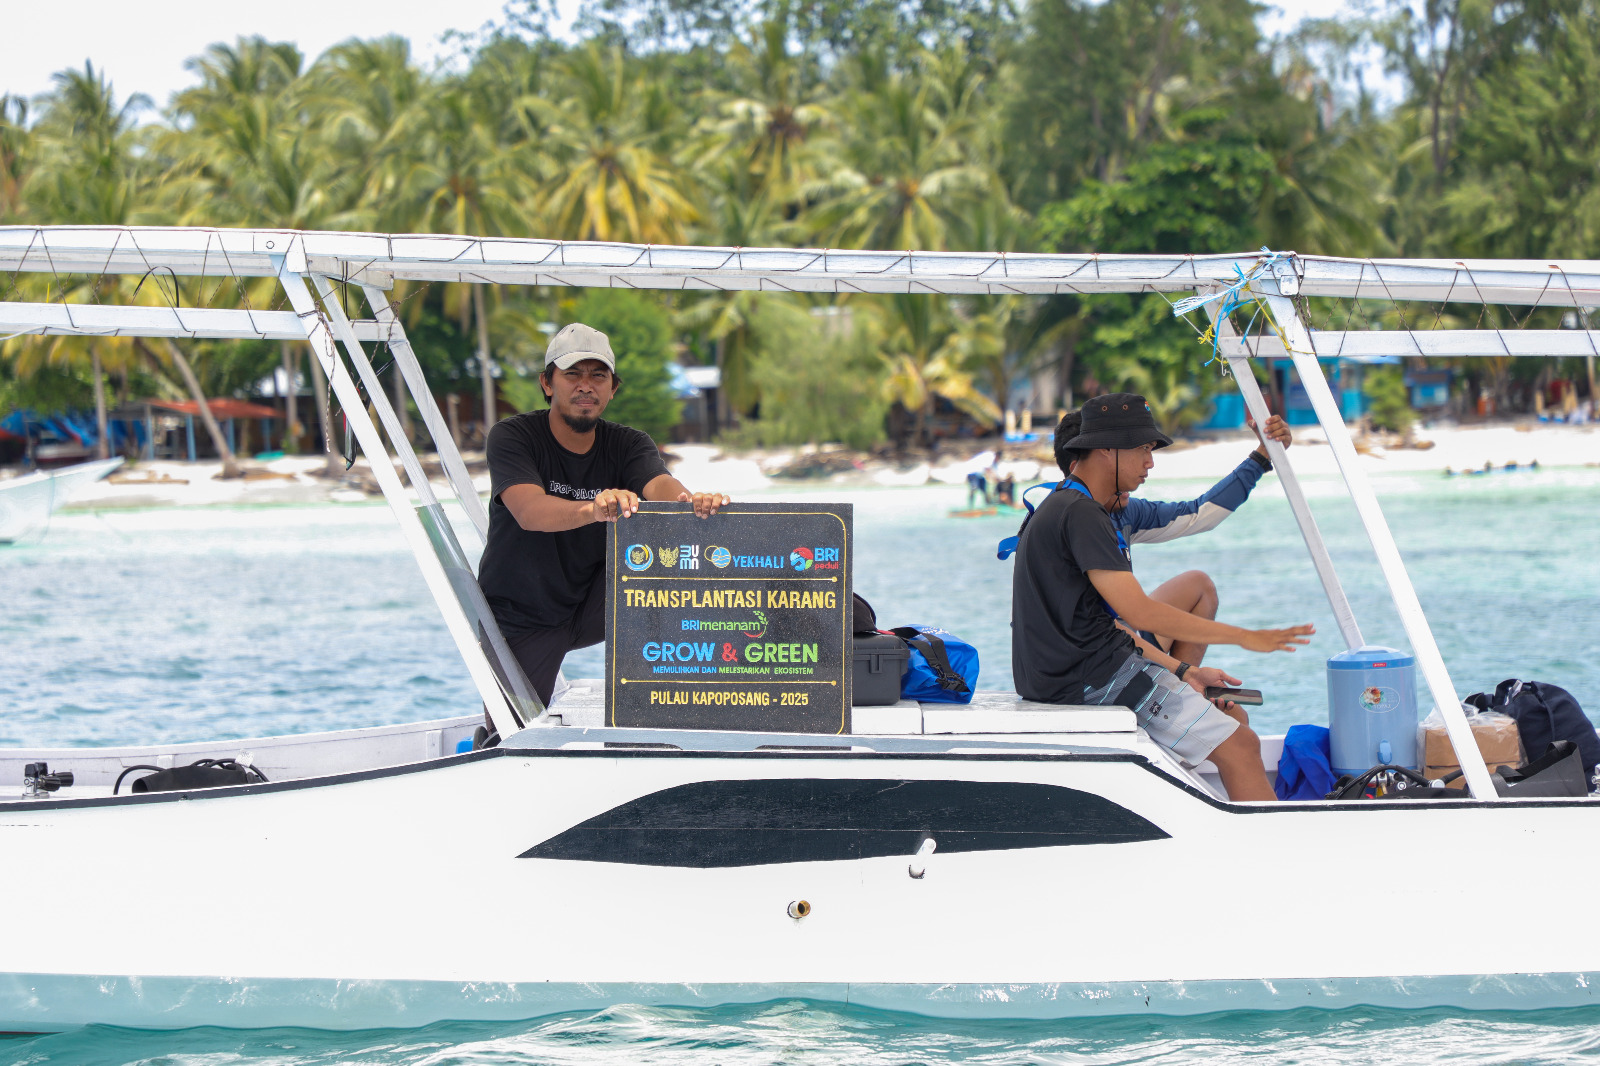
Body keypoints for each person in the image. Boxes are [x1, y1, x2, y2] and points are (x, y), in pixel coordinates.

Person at [1011, 393, 1314, 801]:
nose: (1150, 463)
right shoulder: (1083, 515)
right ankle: (1272, 857)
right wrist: (1244, 636)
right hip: (1093, 681)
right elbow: (1139, 613)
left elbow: (1108, 626)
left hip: (1074, 672)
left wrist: (1185, 671)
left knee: (1237, 722)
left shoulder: (1065, 507)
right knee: (1241, 746)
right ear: (1105, 450)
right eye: (1143, 450)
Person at [477, 322, 730, 713]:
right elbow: (529, 512)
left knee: (684, 559)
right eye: (572, 374)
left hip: (598, 603)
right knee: (510, 731)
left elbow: (660, 485)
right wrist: (593, 508)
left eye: (598, 375)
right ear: (547, 383)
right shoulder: (513, 436)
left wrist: (691, 502)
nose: (585, 385)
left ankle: (696, 702)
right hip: (523, 614)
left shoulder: (628, 443)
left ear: (613, 388)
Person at [1049, 405, 1293, 667]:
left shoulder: (1124, 511)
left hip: (1120, 634)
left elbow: (1199, 513)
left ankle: (1185, 690)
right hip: (1088, 654)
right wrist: (1181, 671)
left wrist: (1261, 457)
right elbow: (1100, 623)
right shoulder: (1071, 519)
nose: (1148, 465)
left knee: (1199, 585)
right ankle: (1182, 688)